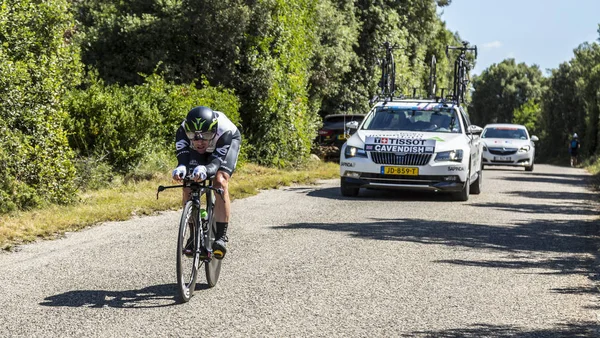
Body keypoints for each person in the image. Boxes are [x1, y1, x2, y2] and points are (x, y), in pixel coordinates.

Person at [171, 106, 242, 259]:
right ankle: (192, 235)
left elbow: (215, 164)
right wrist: (181, 167)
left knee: (219, 181)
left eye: (205, 135)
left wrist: (205, 169)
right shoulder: (183, 131)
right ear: (188, 132)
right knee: (188, 184)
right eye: (194, 136)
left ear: (213, 130)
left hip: (223, 143)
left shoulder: (224, 131)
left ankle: (221, 237)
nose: (200, 142)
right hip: (205, 147)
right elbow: (182, 158)